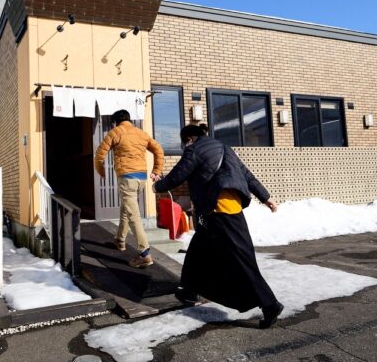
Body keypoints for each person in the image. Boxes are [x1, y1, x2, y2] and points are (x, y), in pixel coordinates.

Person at [153, 124, 284, 328]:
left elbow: (179, 174)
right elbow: (247, 175)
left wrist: (158, 185)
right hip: (220, 212)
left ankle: (270, 304)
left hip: (220, 212)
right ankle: (188, 289)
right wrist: (265, 197)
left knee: (242, 259)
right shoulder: (224, 147)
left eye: (184, 142)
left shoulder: (194, 149)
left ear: (189, 139)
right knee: (198, 249)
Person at [95, 109, 164, 268]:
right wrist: (156, 171)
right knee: (126, 208)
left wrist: (101, 171)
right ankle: (120, 240)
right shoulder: (141, 133)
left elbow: (100, 154)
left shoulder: (115, 132)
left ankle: (144, 253)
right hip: (141, 178)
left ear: (115, 121)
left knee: (133, 214)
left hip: (127, 177)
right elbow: (158, 149)